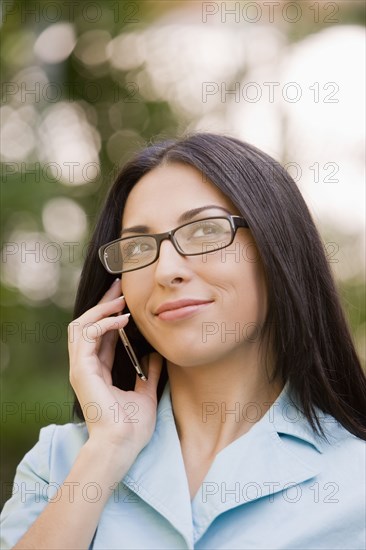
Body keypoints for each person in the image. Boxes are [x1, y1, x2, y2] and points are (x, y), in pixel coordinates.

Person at [1, 133, 365, 550]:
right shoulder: (60, 461)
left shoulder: (356, 483)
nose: (165, 270)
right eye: (138, 246)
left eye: (205, 230)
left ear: (276, 246)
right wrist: (107, 451)